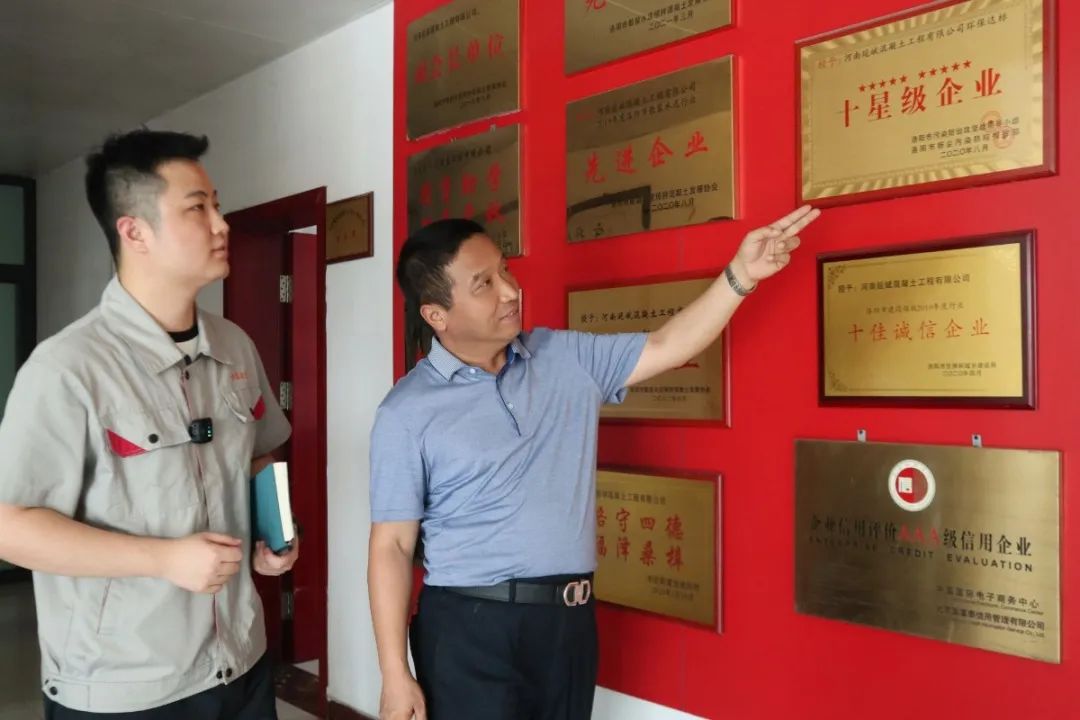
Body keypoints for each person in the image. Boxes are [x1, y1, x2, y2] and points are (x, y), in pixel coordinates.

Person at [368, 206, 820, 720]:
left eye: (505, 270)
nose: (511, 291)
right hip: (470, 628)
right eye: (484, 284)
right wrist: (394, 673)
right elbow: (392, 545)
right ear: (437, 315)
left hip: (568, 623)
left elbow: (668, 346)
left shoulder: (565, 358)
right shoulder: (407, 412)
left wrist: (740, 276)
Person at [0, 129, 299, 719]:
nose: (221, 224)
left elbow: (259, 454)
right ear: (134, 231)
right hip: (127, 687)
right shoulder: (68, 368)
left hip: (242, 660)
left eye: (217, 205)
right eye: (197, 208)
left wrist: (275, 532)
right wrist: (163, 559)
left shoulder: (233, 345)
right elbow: (12, 529)